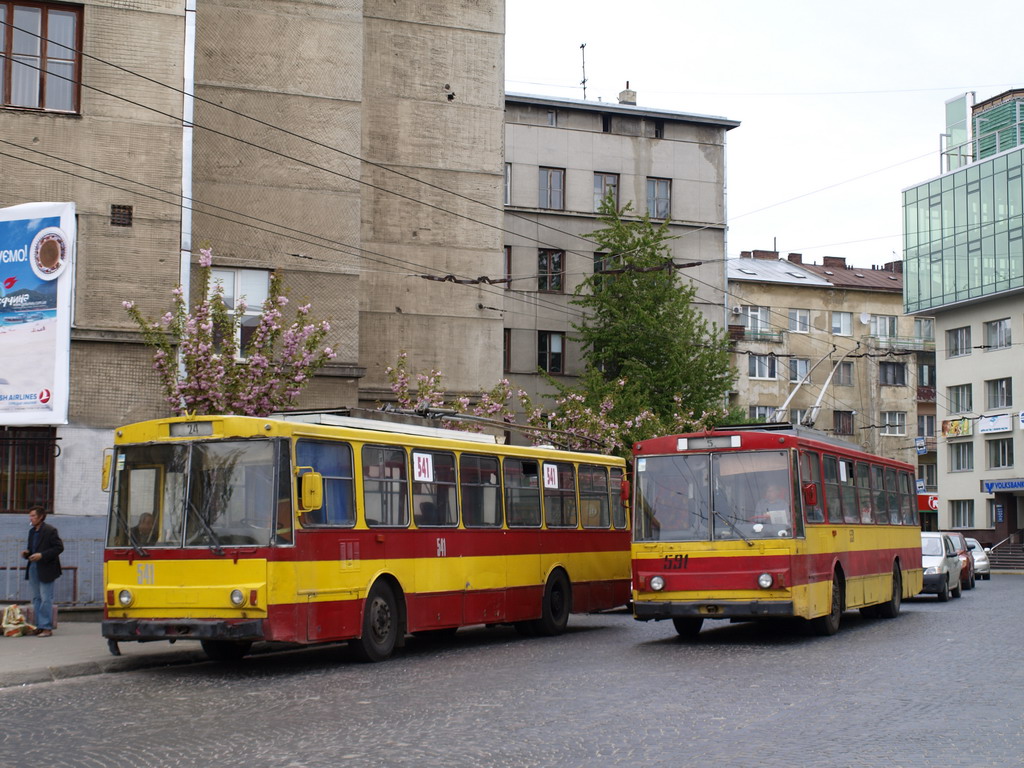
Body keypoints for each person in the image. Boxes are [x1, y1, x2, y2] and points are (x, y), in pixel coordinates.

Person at [20, 505, 63, 637]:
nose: (31, 518)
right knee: (36, 598)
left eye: (33, 516)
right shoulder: (32, 532)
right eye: (30, 516)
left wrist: (42, 555)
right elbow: (31, 549)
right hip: (33, 566)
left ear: (41, 517)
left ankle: (46, 627)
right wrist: (27, 553)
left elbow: (58, 548)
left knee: (46, 598)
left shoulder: (50, 530)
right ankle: (38, 626)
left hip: (46, 568)